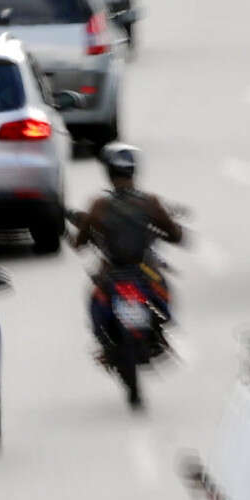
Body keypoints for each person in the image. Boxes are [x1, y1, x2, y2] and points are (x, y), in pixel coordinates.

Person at [69, 144, 186, 358]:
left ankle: (106, 345)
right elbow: (176, 235)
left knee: (95, 301)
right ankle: (158, 336)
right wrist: (172, 233)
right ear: (133, 171)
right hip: (144, 270)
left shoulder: (99, 205)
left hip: (112, 272)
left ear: (109, 173)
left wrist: (81, 238)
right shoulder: (150, 202)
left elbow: (80, 242)